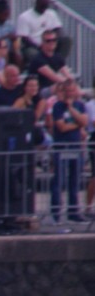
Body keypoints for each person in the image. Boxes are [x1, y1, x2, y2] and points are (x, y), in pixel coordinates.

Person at [48, 77, 87, 223]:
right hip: (61, 147)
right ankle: (56, 213)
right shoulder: (58, 106)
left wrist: (71, 109)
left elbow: (84, 121)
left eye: (73, 90)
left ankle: (73, 212)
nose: (70, 93)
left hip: (76, 147)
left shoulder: (80, 105)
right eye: (68, 91)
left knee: (75, 181)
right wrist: (77, 124)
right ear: (64, 92)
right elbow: (61, 127)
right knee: (59, 180)